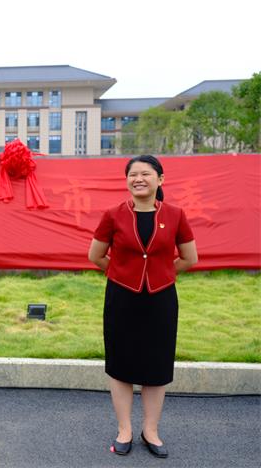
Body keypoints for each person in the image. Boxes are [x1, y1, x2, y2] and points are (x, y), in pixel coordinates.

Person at [88, 155, 198, 459]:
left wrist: (162, 274)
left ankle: (151, 430)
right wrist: (122, 273)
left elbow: (189, 258)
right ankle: (124, 429)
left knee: (157, 365)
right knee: (121, 363)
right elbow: (95, 256)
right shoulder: (113, 215)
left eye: (146, 174)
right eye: (132, 174)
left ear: (160, 179)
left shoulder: (175, 215)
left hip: (161, 299)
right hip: (121, 299)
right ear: (126, 181)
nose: (138, 179)